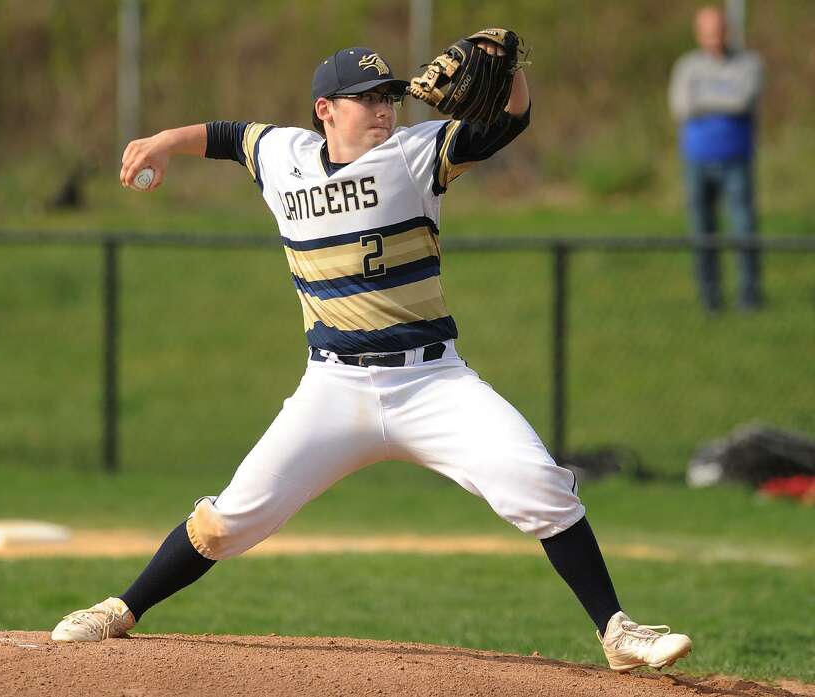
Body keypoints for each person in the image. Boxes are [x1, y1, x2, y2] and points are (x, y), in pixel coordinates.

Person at [51, 38, 692, 673]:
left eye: (388, 97)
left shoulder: (416, 155)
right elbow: (228, 135)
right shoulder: (284, 155)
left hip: (434, 384)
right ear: (325, 109)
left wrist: (510, 72)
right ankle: (121, 608)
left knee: (542, 487)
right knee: (225, 525)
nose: (383, 110)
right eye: (366, 101)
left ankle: (617, 632)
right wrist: (163, 141)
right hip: (334, 391)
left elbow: (512, 118)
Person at [669, 5, 765, 312]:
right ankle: (709, 298)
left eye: (719, 30)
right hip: (697, 160)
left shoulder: (749, 63)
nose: (714, 38)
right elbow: (682, 106)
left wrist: (704, 100)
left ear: (728, 30)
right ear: (699, 34)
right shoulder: (686, 66)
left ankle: (749, 297)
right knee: (702, 232)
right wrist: (721, 100)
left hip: (736, 159)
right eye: (708, 32)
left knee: (743, 229)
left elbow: (743, 101)